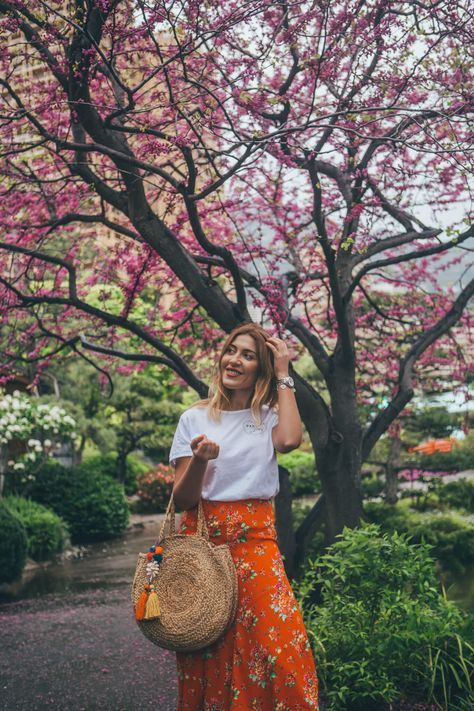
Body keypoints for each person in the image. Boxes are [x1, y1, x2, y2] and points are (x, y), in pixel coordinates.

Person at [169, 323, 319, 710]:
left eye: (248, 355)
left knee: (281, 648)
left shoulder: (268, 417)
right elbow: (184, 499)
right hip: (204, 548)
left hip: (256, 547)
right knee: (209, 650)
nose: (235, 360)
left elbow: (288, 441)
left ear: (261, 369)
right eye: (231, 350)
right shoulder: (194, 419)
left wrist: (285, 373)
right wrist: (200, 461)